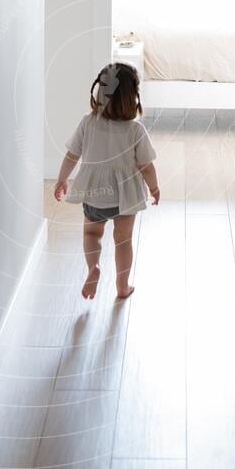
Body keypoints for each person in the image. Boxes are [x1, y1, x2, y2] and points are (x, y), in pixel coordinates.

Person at [54, 62, 160, 300]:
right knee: (123, 241)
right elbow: (146, 166)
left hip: (95, 195)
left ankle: (94, 267)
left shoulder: (88, 123)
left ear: (100, 93)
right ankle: (122, 287)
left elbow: (72, 155)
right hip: (126, 198)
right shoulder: (135, 130)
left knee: (91, 235)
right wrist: (154, 188)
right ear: (132, 97)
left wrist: (62, 179)